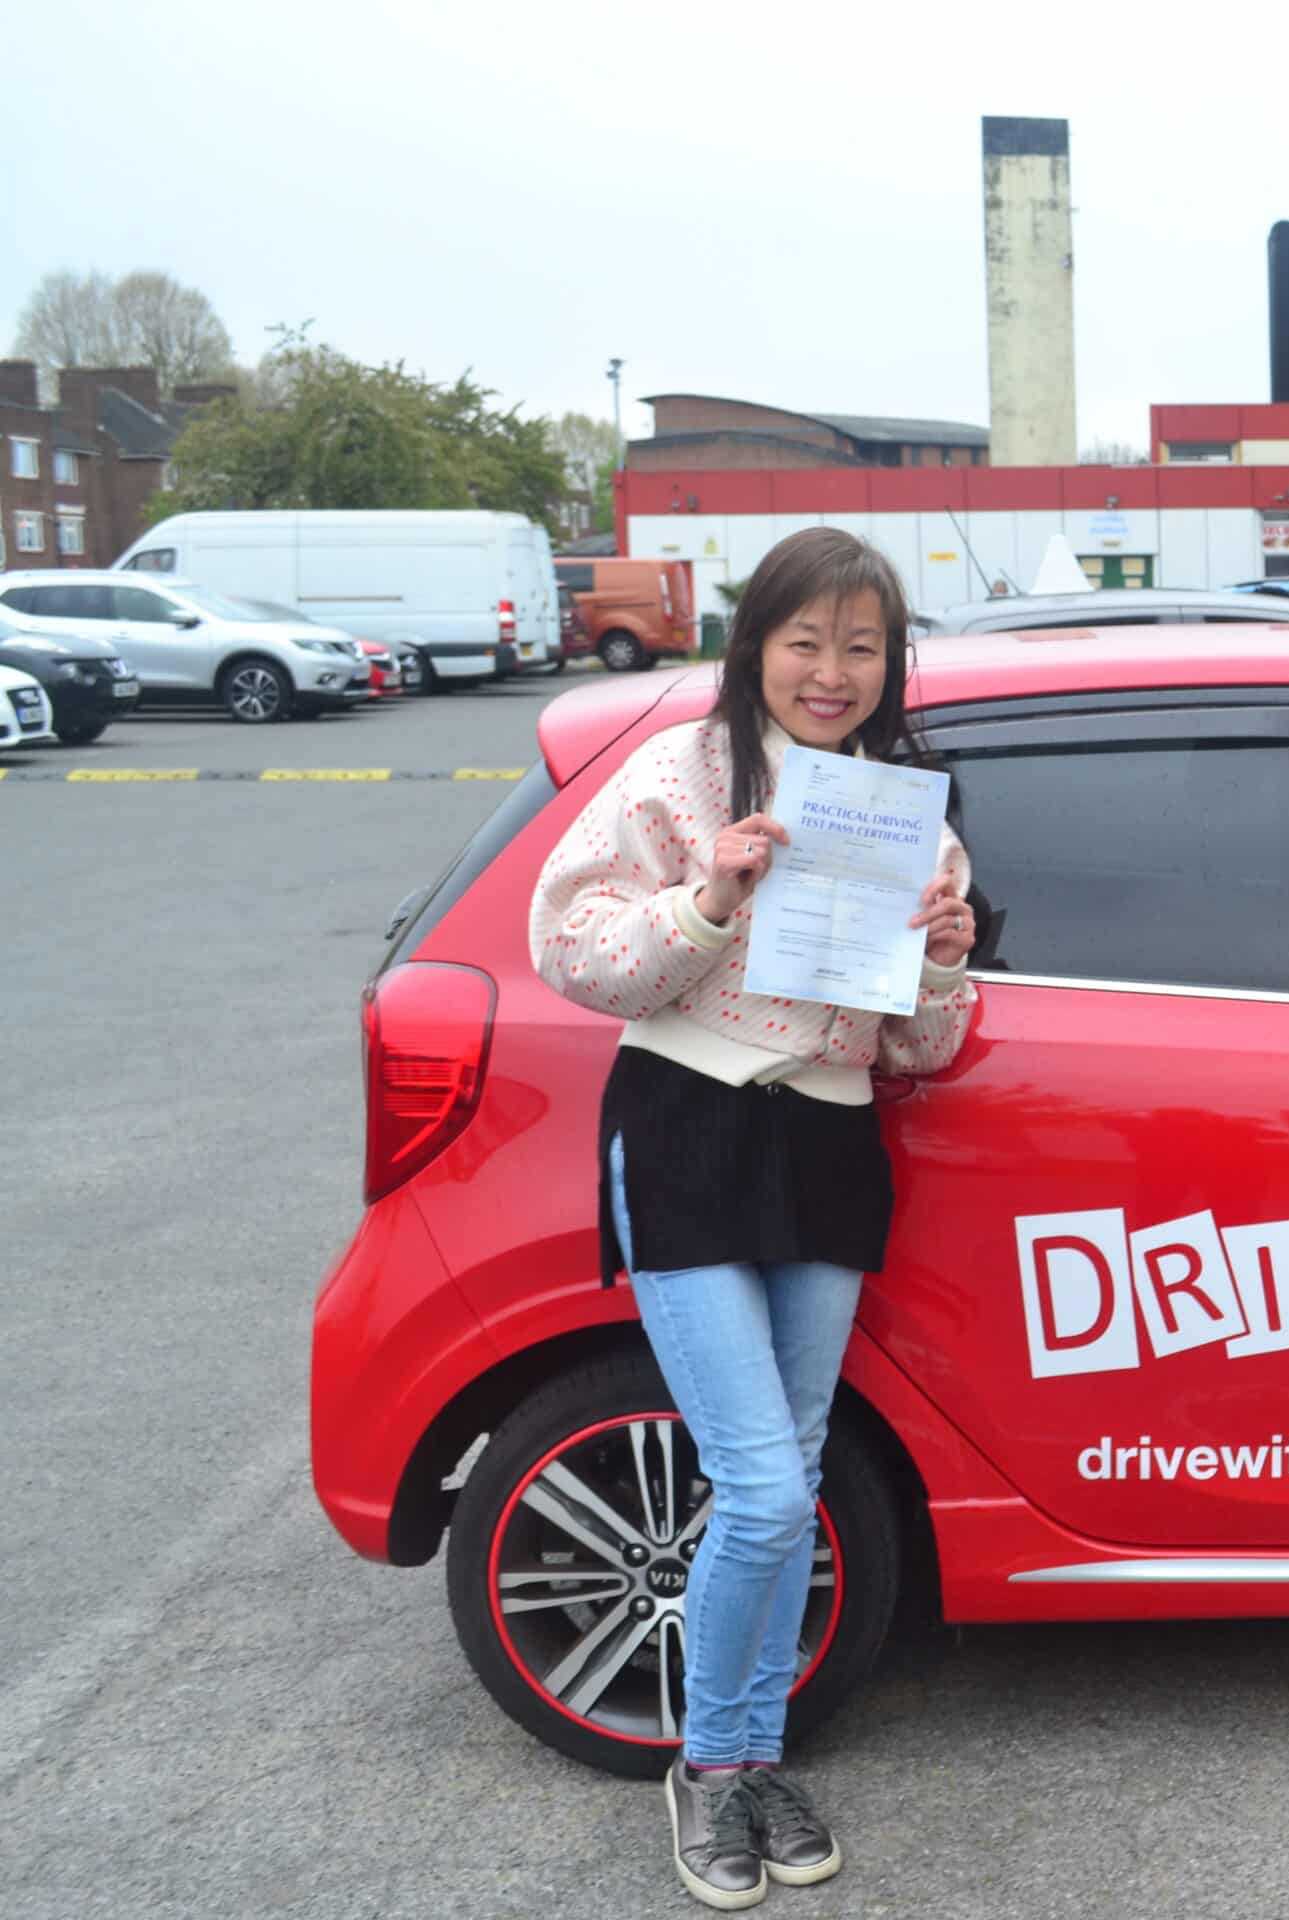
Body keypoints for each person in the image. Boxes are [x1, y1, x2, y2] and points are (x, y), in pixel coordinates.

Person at [529, 527, 974, 1910]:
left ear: (890, 663)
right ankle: (714, 1771)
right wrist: (714, 891)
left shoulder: (907, 813)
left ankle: (753, 1756)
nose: (832, 672)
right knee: (771, 1488)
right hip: (693, 1126)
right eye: (806, 642)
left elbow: (912, 1053)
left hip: (831, 1135)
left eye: (861, 646)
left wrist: (944, 969)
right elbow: (573, 951)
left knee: (780, 1477)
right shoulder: (677, 777)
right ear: (756, 648)